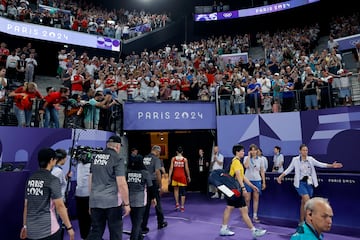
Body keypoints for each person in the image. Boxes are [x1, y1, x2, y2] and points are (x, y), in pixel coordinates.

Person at [276, 143, 343, 225]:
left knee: (303, 203)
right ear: (300, 151)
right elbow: (289, 169)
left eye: (306, 150)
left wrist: (332, 166)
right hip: (300, 183)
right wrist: (281, 176)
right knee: (308, 202)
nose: (305, 152)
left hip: (309, 183)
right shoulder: (295, 160)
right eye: (303, 150)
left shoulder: (310, 159)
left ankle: (301, 222)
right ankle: (310, 223)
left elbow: (321, 164)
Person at [20, 148, 75, 240]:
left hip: (31, 230)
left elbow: (26, 205)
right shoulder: (53, 180)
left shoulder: (31, 179)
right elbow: (60, 206)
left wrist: (25, 226)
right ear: (51, 161)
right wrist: (69, 227)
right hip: (49, 230)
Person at [87, 135, 130, 240]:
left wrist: (90, 201)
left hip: (95, 200)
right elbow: (121, 183)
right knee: (115, 231)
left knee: (96, 231)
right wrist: (127, 203)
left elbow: (90, 180)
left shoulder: (96, 157)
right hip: (112, 202)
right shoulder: (118, 158)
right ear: (118, 146)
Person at [219, 144, 266, 238]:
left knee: (229, 207)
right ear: (237, 152)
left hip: (231, 189)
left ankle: (223, 229)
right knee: (244, 210)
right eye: (242, 151)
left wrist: (252, 186)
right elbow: (238, 175)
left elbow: (243, 176)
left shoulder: (237, 162)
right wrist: (243, 188)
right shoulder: (236, 162)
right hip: (235, 189)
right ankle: (254, 231)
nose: (243, 153)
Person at [127, 155, 157, 240]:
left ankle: (139, 237)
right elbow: (151, 187)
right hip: (140, 201)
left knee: (135, 221)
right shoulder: (145, 173)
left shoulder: (128, 172)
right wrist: (154, 198)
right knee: (137, 223)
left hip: (129, 200)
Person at [141, 145, 168, 234]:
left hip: (145, 183)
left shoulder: (144, 158)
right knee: (157, 203)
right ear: (157, 152)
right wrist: (160, 186)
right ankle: (161, 223)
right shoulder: (156, 159)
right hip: (153, 183)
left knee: (146, 204)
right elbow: (157, 173)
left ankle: (143, 226)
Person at [243, 144, 266, 223]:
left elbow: (262, 171)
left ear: (257, 151)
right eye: (251, 150)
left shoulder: (261, 159)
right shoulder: (246, 158)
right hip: (248, 180)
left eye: (254, 150)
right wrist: (249, 156)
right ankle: (246, 215)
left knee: (256, 198)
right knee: (247, 199)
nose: (253, 151)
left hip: (257, 180)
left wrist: (263, 182)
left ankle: (255, 215)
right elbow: (246, 166)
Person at [168, 146, 191, 212]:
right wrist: (188, 176)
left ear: (176, 152)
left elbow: (171, 168)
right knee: (183, 192)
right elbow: (186, 169)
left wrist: (169, 177)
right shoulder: (184, 159)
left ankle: (177, 204)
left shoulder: (173, 159)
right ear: (182, 152)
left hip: (175, 176)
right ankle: (182, 207)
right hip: (182, 177)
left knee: (176, 190)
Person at [75, 153, 92, 240]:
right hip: (87, 195)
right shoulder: (90, 166)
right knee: (88, 217)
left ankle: (84, 236)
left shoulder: (79, 165)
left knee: (82, 217)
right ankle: (88, 236)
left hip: (78, 194)